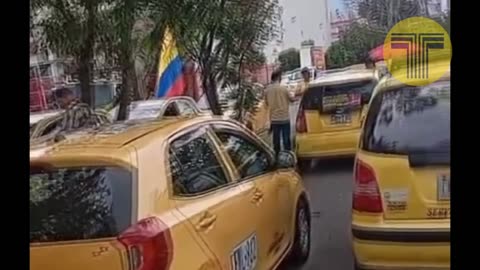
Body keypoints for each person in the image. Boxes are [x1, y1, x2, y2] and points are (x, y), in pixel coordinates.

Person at [265, 69, 298, 156]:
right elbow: (292, 99)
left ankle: (277, 157)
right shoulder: (283, 89)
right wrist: (297, 97)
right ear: (279, 77)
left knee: (276, 140)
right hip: (284, 118)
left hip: (274, 119)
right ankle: (288, 157)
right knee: (286, 139)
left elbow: (266, 103)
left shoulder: (267, 90)